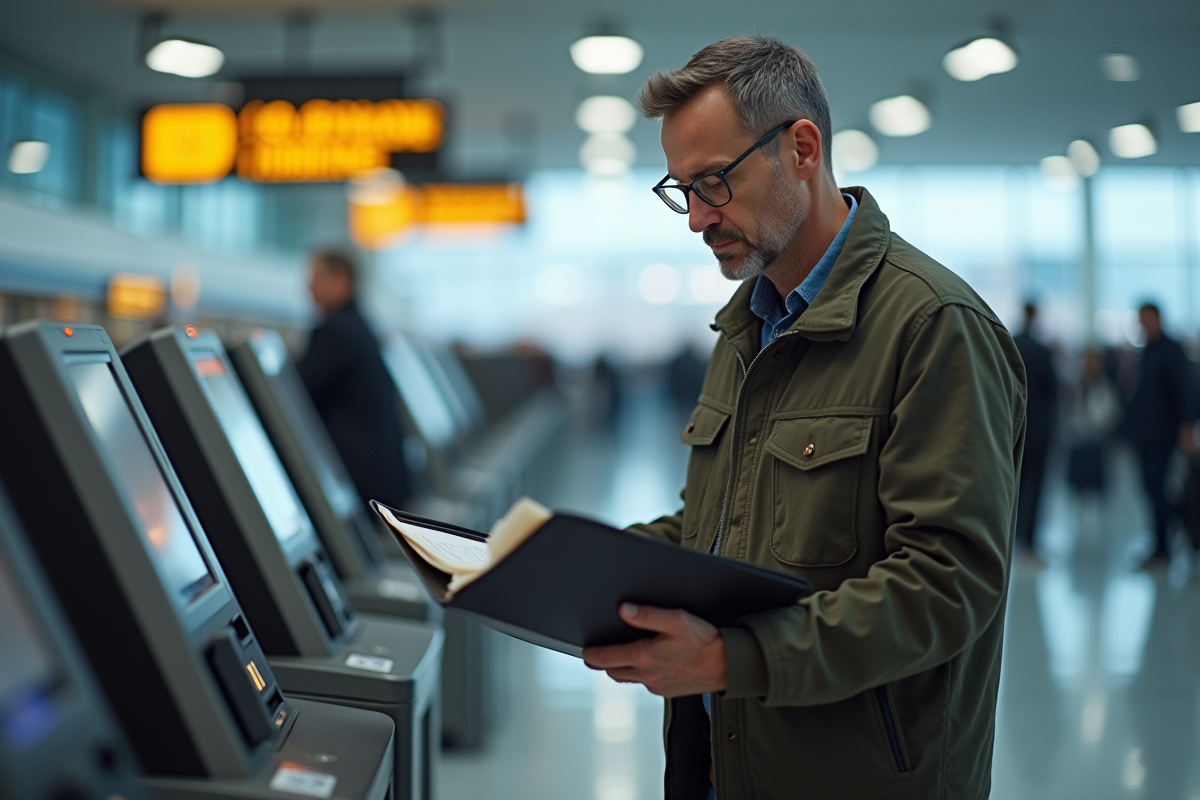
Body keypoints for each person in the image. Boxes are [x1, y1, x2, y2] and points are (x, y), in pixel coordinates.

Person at [580, 36, 1026, 800]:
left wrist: (732, 659)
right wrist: (565, 567)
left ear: (802, 148)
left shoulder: (932, 326)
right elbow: (714, 529)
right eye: (680, 189)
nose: (695, 218)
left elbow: (946, 586)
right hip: (731, 761)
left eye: (714, 182)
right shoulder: (746, 328)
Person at [298, 250, 411, 511]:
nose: (308, 286)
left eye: (316, 277)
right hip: (382, 478)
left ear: (341, 281)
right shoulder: (359, 325)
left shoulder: (337, 332)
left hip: (360, 486)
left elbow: (298, 394)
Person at [1123, 302, 1199, 564]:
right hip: (1145, 433)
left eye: (1147, 319)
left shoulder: (1171, 350)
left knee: (1160, 489)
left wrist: (1187, 425)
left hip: (1163, 434)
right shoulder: (1147, 351)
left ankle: (1165, 545)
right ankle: (1161, 541)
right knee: (1150, 489)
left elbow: (1184, 389)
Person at [1013, 302, 1058, 552]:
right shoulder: (1042, 350)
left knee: (1015, 481)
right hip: (1039, 425)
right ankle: (1030, 539)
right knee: (1036, 482)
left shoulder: (1010, 343)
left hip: (1013, 424)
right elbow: (1052, 390)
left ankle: (1015, 533)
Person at [1066, 348, 1121, 495]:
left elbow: (1111, 413)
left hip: (1098, 440)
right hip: (1080, 438)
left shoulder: (1105, 385)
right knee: (1080, 486)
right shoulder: (1079, 384)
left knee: (1096, 486)